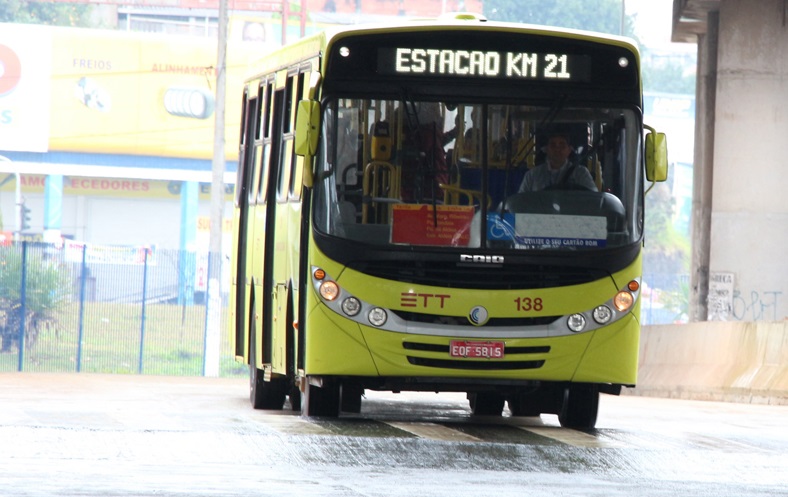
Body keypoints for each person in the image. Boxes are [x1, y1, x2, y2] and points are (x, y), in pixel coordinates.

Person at [518, 131, 597, 192]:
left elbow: (594, 198)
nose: (557, 149)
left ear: (569, 150)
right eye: (553, 145)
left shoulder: (581, 174)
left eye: (562, 145)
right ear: (547, 149)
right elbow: (520, 202)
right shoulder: (532, 175)